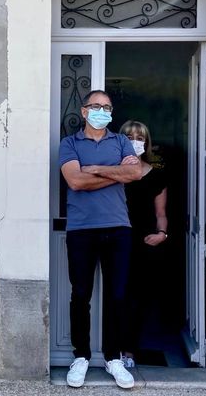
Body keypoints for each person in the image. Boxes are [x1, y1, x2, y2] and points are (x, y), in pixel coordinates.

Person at [59, 90, 142, 389]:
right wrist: (116, 173)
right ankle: (80, 356)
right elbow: (75, 180)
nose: (101, 111)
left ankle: (113, 358)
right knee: (80, 295)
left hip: (119, 228)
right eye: (96, 106)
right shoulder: (69, 143)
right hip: (81, 229)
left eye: (107, 107)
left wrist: (97, 169)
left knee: (117, 296)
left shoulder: (121, 141)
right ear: (84, 112)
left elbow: (136, 173)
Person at [120, 120, 168, 367]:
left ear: (146, 142)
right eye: (129, 136)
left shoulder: (156, 174)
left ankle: (128, 351)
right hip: (117, 239)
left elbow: (161, 213)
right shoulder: (114, 171)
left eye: (140, 137)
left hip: (145, 242)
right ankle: (110, 349)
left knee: (138, 297)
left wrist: (162, 234)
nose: (135, 141)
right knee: (116, 294)